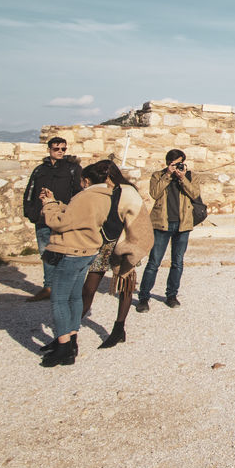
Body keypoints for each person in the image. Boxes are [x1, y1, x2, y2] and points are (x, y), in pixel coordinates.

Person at [36, 160, 133, 366]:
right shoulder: (107, 196)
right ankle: (71, 341)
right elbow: (80, 217)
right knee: (74, 298)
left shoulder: (85, 196)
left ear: (86, 180)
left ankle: (64, 347)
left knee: (60, 299)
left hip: (73, 250)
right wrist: (59, 203)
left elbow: (60, 222)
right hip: (89, 251)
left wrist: (49, 205)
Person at [79, 160, 151, 350]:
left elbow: (139, 220)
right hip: (101, 245)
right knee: (88, 288)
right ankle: (70, 329)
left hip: (122, 243)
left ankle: (119, 328)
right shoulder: (99, 191)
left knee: (125, 286)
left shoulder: (127, 192)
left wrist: (133, 247)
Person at [135, 150, 200, 312]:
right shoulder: (158, 176)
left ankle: (171, 295)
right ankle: (144, 297)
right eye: (173, 164)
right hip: (162, 224)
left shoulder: (190, 176)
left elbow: (195, 194)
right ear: (167, 163)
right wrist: (168, 176)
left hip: (182, 224)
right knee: (154, 262)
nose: (177, 166)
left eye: (179, 163)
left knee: (177, 262)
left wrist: (182, 178)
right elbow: (155, 193)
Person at [22, 136, 83, 302]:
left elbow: (78, 193)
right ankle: (48, 287)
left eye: (63, 149)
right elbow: (30, 191)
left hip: (62, 217)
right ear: (49, 150)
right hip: (42, 218)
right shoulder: (39, 170)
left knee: (64, 253)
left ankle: (63, 289)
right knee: (46, 253)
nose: (61, 152)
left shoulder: (72, 169)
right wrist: (31, 212)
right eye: (57, 149)